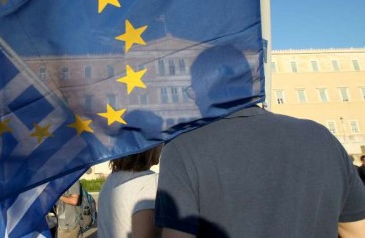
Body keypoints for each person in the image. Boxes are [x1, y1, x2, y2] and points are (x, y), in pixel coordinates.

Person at [155, 45, 365, 238]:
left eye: (192, 92)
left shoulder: (182, 148)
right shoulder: (322, 137)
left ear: (200, 89)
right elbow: (356, 231)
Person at [98, 145, 163, 238]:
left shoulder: (110, 180)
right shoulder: (150, 181)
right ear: (148, 148)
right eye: (159, 141)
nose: (161, 146)